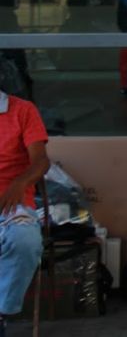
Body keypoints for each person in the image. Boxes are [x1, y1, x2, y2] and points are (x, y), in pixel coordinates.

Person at [0, 77, 50, 337]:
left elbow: (41, 161)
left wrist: (20, 182)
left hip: (11, 205)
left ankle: (2, 311)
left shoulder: (22, 110)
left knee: (25, 242)